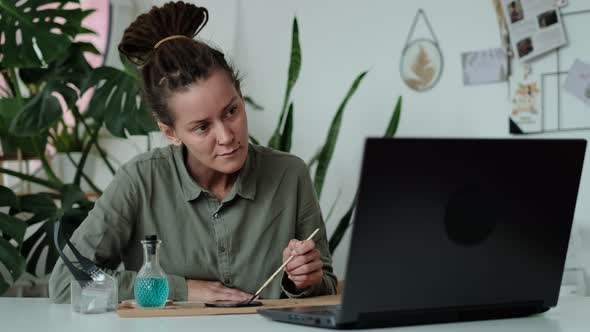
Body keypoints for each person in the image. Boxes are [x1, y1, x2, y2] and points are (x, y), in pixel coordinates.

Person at [49, 1, 337, 303]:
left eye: (232, 111)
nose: (227, 136)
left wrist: (306, 279)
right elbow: (67, 281)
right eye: (202, 127)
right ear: (170, 132)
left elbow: (326, 283)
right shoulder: (139, 180)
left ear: (240, 95)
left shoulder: (289, 174)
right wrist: (181, 289)